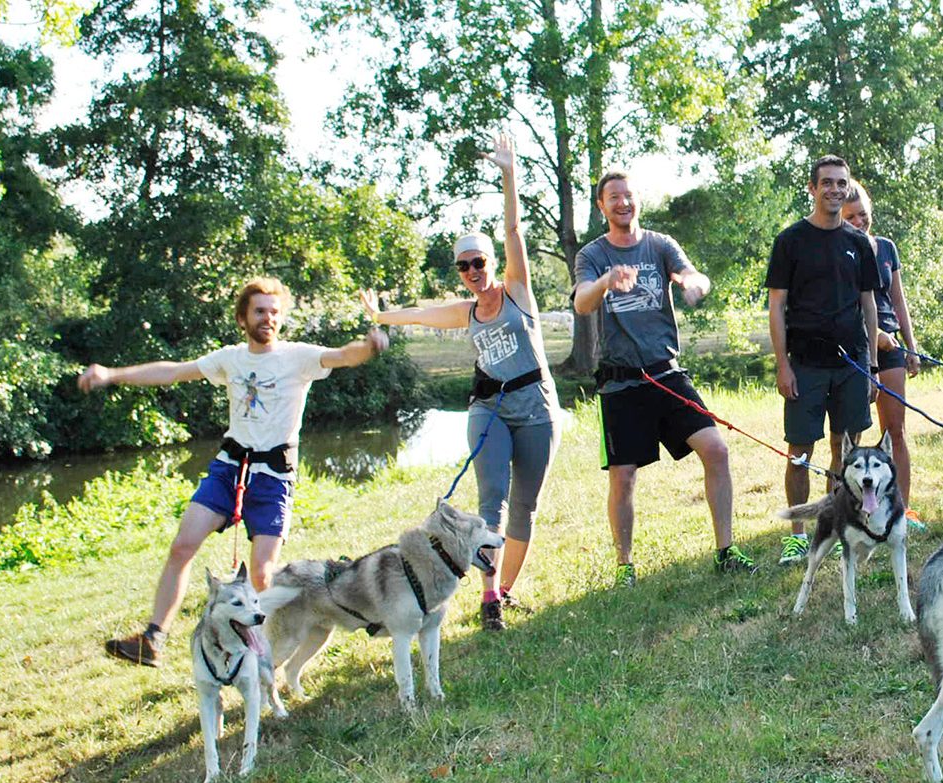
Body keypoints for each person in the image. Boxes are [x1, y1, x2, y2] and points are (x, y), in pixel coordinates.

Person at [89, 278, 388, 666]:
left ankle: (266, 651)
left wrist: (367, 347)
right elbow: (174, 372)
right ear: (243, 318)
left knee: (262, 575)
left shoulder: (298, 356)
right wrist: (112, 374)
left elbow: (343, 355)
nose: (268, 319)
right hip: (230, 467)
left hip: (274, 474)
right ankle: (153, 639)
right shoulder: (230, 358)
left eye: (274, 312)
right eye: (260, 311)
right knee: (182, 546)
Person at [359, 134, 558, 631]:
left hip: (536, 407)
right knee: (493, 499)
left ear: (492, 263)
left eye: (479, 262)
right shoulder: (465, 311)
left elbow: (513, 229)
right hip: (488, 409)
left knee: (525, 506)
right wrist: (382, 314)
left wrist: (509, 173)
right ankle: (489, 597)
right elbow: (423, 315)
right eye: (463, 265)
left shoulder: (517, 293)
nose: (472, 271)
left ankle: (506, 589)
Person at [573, 169, 754, 586]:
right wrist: (605, 281)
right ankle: (625, 566)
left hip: (667, 373)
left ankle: (725, 550)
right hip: (620, 382)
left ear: (639, 201)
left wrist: (693, 282)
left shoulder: (660, 244)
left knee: (716, 449)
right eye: (614, 197)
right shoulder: (592, 255)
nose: (623, 203)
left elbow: (693, 274)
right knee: (624, 476)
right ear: (602, 206)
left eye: (629, 196)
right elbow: (583, 303)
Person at [768, 154, 881, 565]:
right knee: (800, 451)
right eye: (827, 183)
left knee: (845, 448)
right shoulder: (791, 241)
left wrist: (870, 365)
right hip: (806, 365)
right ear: (813, 189)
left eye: (842, 184)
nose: (835, 190)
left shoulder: (858, 243)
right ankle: (797, 536)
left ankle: (838, 524)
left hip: (851, 364)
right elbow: (776, 307)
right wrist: (783, 365)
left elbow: (868, 305)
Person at [839, 181, 927, 534]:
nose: (860, 222)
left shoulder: (886, 248)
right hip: (855, 347)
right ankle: (854, 511)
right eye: (851, 217)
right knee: (853, 433)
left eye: (864, 215)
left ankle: (900, 511)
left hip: (893, 349)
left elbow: (898, 300)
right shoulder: (840, 249)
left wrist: (911, 344)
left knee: (896, 431)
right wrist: (872, 336)